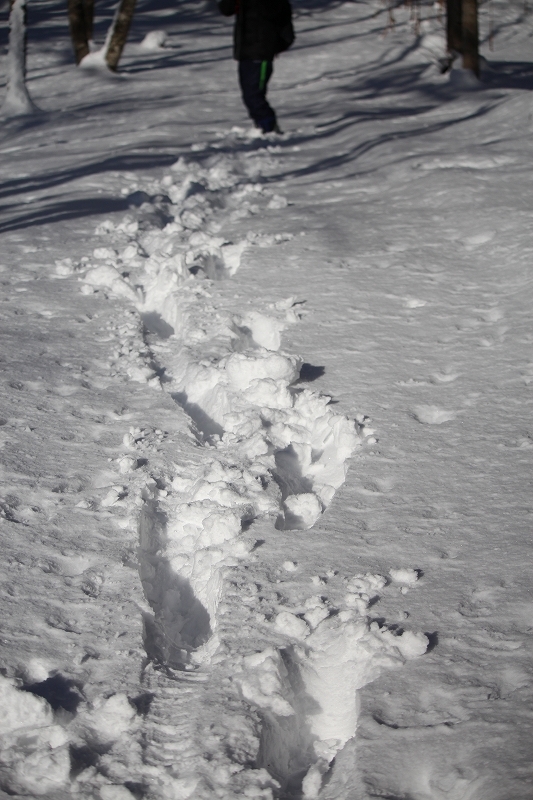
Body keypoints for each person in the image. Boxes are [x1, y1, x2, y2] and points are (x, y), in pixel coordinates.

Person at [218, 0, 294, 134]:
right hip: (245, 52)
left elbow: (284, 24)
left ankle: (269, 128)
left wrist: (272, 47)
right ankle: (263, 127)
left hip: (261, 52)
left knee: (253, 96)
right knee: (250, 95)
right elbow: (226, 9)